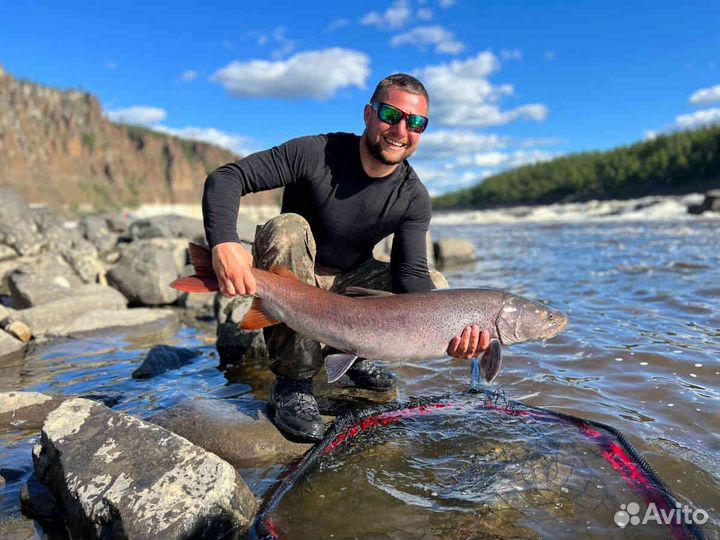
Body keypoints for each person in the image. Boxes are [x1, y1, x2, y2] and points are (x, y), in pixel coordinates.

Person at [202, 73, 489, 442]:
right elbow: (227, 178)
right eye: (391, 114)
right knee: (287, 226)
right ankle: (293, 381)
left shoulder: (413, 196)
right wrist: (224, 243)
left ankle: (350, 350)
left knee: (438, 287)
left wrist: (450, 331)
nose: (401, 129)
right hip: (291, 273)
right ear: (369, 114)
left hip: (350, 284)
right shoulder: (315, 153)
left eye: (416, 122)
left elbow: (411, 277)